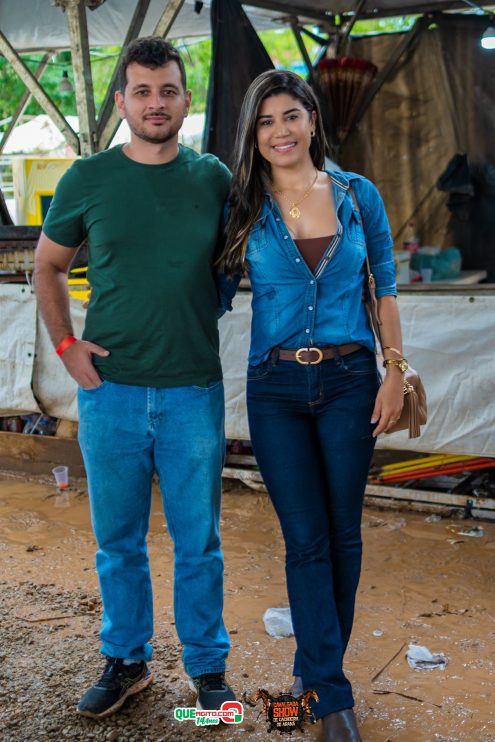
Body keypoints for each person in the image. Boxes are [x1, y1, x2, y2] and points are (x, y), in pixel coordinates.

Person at [34, 36, 235, 719]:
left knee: (197, 542)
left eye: (168, 90)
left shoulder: (213, 178)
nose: (156, 102)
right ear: (122, 100)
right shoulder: (87, 179)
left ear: (185, 100)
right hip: (110, 392)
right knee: (117, 541)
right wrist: (67, 345)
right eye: (143, 91)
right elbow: (48, 265)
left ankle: (208, 671)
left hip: (192, 392)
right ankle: (126, 660)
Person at [217, 70, 405, 741]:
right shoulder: (241, 204)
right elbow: (203, 286)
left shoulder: (357, 195)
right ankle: (332, 697)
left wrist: (394, 372)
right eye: (265, 122)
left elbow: (383, 286)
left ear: (312, 120)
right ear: (253, 133)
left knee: (343, 534)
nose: (280, 132)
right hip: (275, 390)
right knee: (306, 540)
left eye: (291, 116)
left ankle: (316, 678)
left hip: (352, 380)